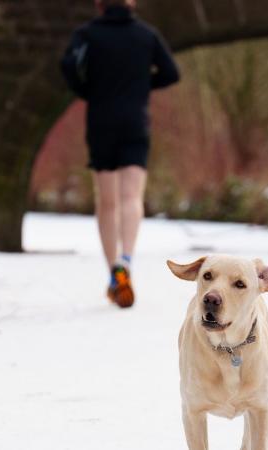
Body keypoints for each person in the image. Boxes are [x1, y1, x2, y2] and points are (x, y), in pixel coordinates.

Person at [61, 0, 180, 308]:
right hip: (134, 122)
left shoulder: (87, 34)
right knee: (131, 197)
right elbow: (170, 72)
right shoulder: (146, 35)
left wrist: (88, 89)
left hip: (101, 121)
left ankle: (113, 268)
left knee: (107, 201)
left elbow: (68, 66)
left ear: (99, 4)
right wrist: (142, 84)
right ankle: (126, 259)